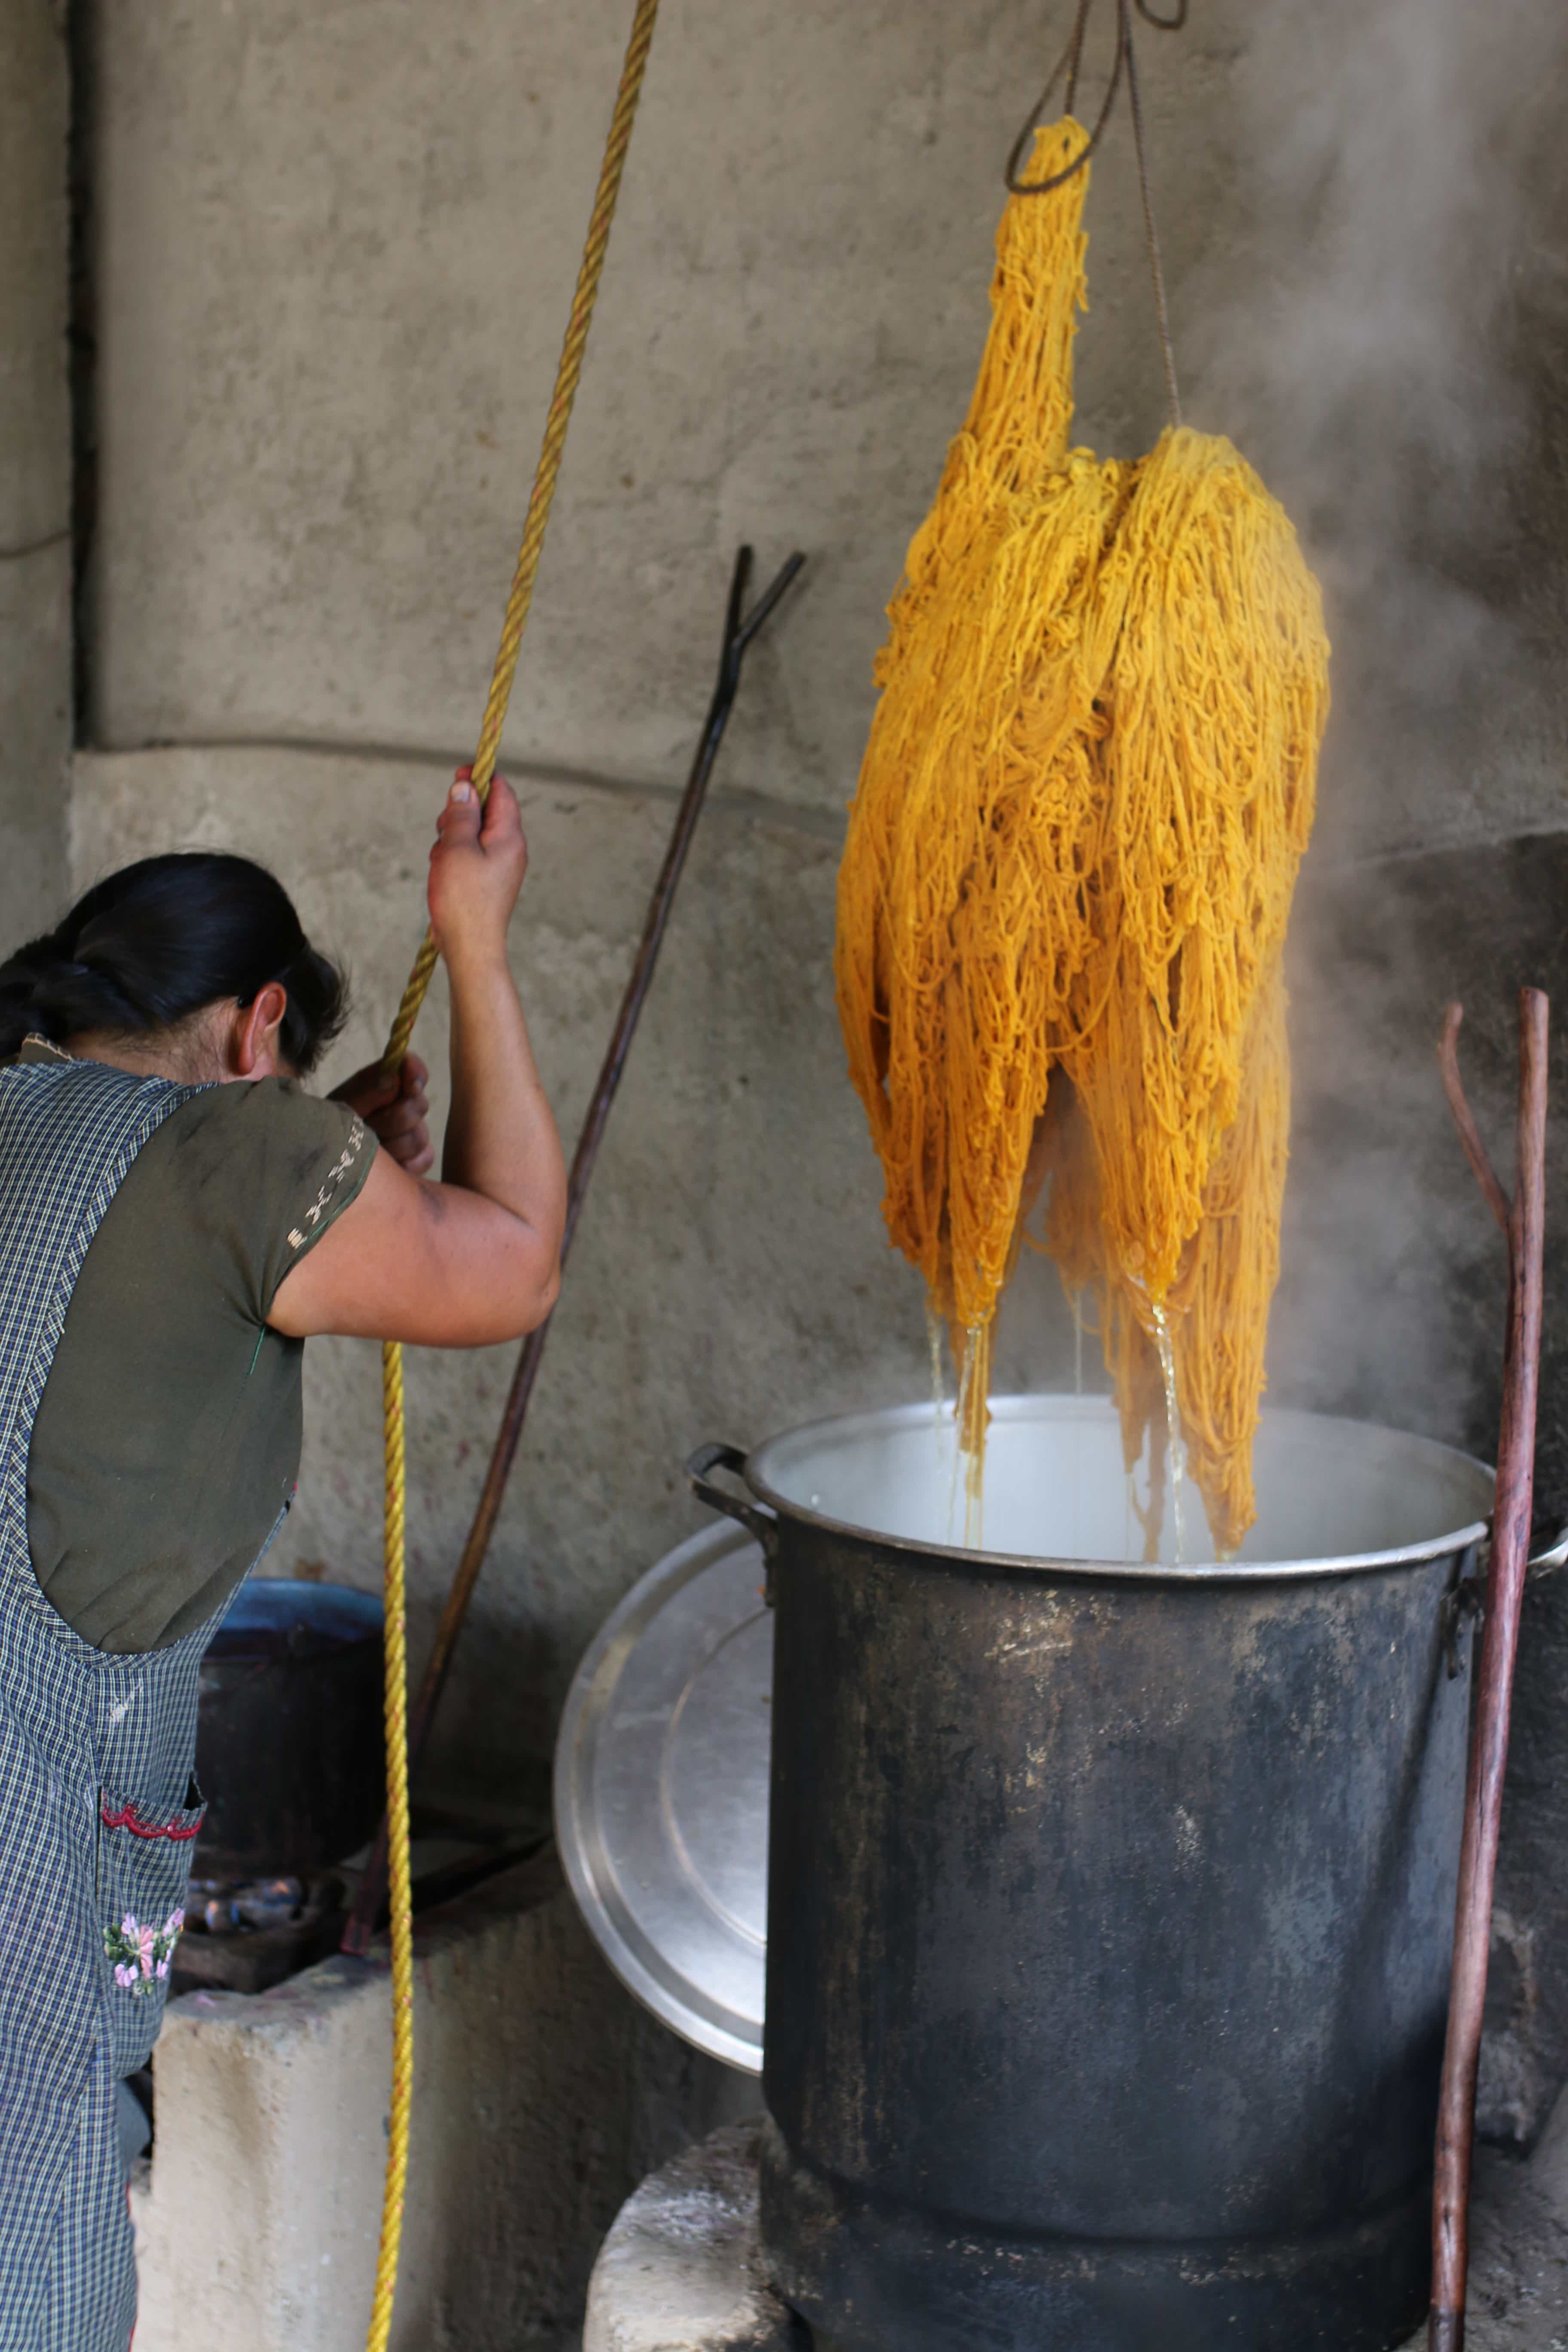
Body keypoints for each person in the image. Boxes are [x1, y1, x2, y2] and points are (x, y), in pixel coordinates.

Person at [0, 771, 564, 2351]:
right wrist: (476, 941)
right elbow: (508, 1257)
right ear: (258, 1032)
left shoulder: (22, 1117)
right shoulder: (235, 1157)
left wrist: (326, 1158)